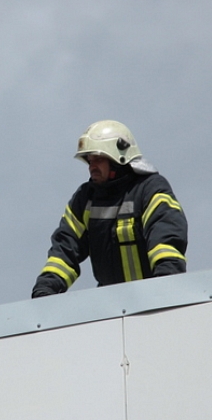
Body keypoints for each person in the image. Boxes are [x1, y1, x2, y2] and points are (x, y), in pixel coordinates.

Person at [32, 120, 188, 298]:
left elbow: (166, 239)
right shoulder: (86, 198)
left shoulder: (149, 189)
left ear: (118, 159)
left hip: (152, 301)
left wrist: (166, 286)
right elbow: (65, 248)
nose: (91, 167)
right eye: (89, 160)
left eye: (98, 159)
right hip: (111, 308)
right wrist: (45, 290)